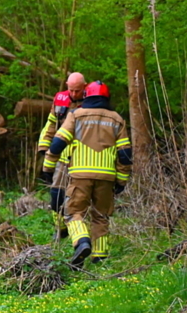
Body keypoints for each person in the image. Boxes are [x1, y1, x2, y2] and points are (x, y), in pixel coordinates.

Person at [41, 81, 132, 267]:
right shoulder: (117, 119)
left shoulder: (76, 115)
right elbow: (125, 155)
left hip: (80, 174)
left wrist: (48, 169)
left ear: (86, 96)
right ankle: (100, 258)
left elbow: (58, 143)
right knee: (101, 216)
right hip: (107, 177)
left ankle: (82, 242)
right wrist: (121, 181)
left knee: (72, 212)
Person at [37, 72, 86, 240]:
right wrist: (44, 148)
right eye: (71, 90)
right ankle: (59, 229)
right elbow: (51, 124)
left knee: (78, 200)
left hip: (82, 159)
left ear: (85, 87)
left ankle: (80, 233)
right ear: (66, 85)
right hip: (61, 157)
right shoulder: (60, 99)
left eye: (77, 91)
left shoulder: (92, 102)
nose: (73, 94)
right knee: (56, 196)